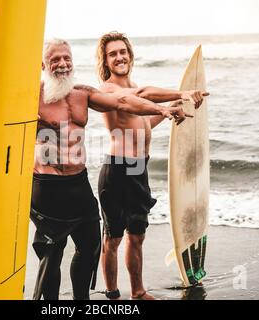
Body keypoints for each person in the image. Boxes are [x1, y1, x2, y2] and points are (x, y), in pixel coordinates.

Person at [30, 38, 191, 300]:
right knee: (52, 254)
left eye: (66, 58)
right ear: (42, 64)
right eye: (55, 59)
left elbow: (125, 104)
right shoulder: (31, 96)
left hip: (78, 183)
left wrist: (162, 110)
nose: (62, 64)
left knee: (90, 247)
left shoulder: (82, 93)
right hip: (48, 187)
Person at [96, 32, 209, 300]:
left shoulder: (134, 91)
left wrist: (171, 109)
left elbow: (142, 124)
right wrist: (180, 93)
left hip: (138, 169)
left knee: (137, 235)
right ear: (105, 61)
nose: (119, 57)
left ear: (130, 55)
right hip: (117, 169)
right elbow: (142, 95)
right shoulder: (109, 90)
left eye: (123, 51)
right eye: (112, 54)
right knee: (113, 238)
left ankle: (137, 292)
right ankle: (112, 294)